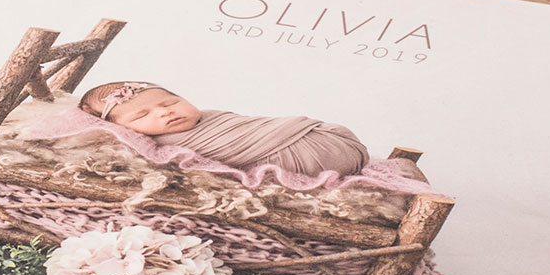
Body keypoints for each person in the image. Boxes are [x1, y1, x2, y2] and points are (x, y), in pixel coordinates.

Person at [76, 81, 371, 181]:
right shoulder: (153, 147)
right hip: (307, 155)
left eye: (171, 102)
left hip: (323, 137)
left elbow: (252, 126)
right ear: (121, 129)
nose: (165, 112)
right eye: (143, 115)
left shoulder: (212, 117)